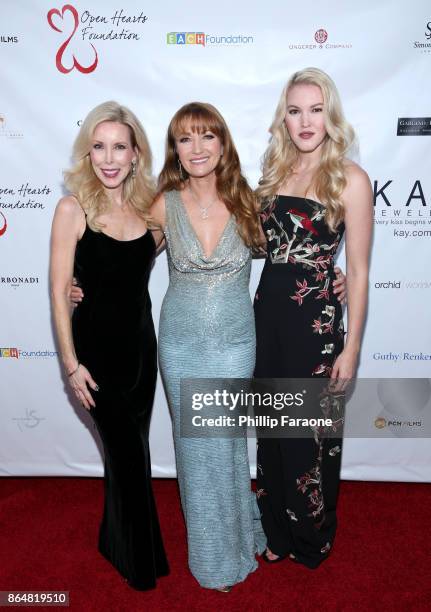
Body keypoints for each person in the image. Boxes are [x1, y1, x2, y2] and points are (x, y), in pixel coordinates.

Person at [254, 67, 373, 568]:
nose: (306, 121)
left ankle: (312, 538)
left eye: (316, 109)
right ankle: (277, 533)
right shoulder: (274, 172)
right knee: (272, 430)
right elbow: (263, 245)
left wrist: (352, 348)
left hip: (316, 327)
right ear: (284, 116)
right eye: (296, 109)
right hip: (267, 318)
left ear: (331, 115)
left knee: (308, 434)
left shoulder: (350, 178)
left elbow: (361, 271)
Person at [50, 101, 169, 590]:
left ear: (136, 153)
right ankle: (139, 562)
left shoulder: (151, 211)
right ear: (87, 153)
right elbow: (60, 291)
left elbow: (205, 237)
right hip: (95, 357)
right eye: (98, 147)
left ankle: (112, 539)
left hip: (142, 353)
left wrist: (317, 268)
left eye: (119, 146)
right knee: (128, 455)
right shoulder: (72, 209)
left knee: (132, 451)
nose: (109, 157)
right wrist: (71, 365)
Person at [150, 102, 266, 591]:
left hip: (234, 343)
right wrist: (77, 285)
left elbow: (296, 257)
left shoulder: (249, 201)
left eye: (206, 137)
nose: (196, 149)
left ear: (223, 144)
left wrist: (336, 277)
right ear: (175, 150)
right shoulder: (162, 204)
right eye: (184, 139)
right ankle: (215, 559)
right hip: (179, 343)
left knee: (227, 446)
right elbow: (124, 258)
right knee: (195, 450)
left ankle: (243, 534)